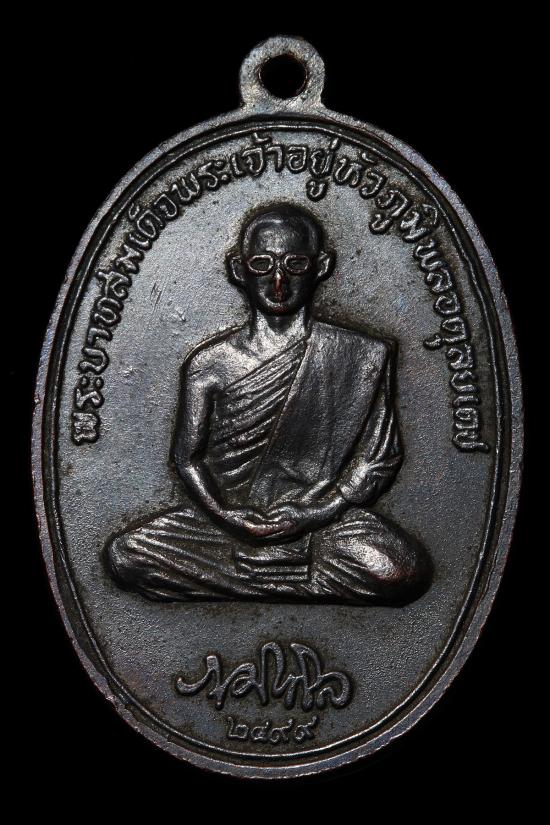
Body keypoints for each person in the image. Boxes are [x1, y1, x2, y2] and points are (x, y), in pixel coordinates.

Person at [106, 204, 431, 604]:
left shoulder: (360, 354)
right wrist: (227, 516)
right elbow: (187, 460)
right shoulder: (209, 364)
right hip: (224, 525)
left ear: (321, 267)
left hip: (323, 523)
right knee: (126, 556)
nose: (278, 281)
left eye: (295, 264)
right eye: (262, 264)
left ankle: (247, 577)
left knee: (403, 570)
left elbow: (379, 459)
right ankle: (287, 578)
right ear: (238, 269)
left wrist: (317, 513)